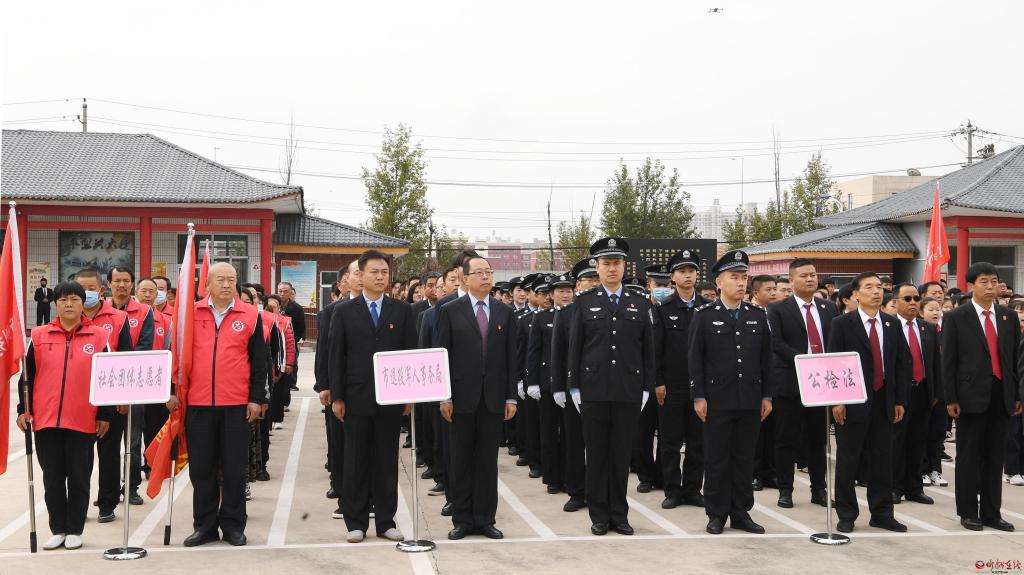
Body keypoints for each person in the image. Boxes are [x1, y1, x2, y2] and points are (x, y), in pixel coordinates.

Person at [566, 237, 656, 536]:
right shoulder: (584, 302)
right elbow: (575, 347)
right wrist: (574, 386)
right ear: (598, 267)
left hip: (628, 390)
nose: (612, 268)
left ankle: (619, 514)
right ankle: (599, 516)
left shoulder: (639, 303)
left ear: (624, 266)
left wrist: (646, 387)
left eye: (617, 263)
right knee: (596, 455)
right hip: (593, 390)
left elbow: (647, 350)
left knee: (620, 457)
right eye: (606, 263)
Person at [17, 281, 114, 551]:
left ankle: (75, 529)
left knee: (79, 477)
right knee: (52, 478)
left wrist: (105, 413)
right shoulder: (39, 336)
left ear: (84, 304)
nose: (68, 304)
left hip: (83, 419)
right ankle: (58, 529)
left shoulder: (99, 337)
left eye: (74, 299)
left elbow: (106, 377)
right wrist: (23, 409)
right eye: (62, 300)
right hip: (46, 420)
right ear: (55, 304)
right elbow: (27, 377)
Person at [177, 262, 268, 547]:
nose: (227, 284)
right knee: (201, 469)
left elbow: (260, 361)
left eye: (231, 279)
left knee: (234, 468)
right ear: (207, 284)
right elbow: (177, 354)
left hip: (236, 404)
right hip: (198, 404)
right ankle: (204, 526)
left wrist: (256, 398)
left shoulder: (250, 315)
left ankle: (233, 526)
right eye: (220, 279)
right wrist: (173, 390)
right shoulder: (190, 314)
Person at [329, 250, 415, 543]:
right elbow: (336, 356)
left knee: (387, 461)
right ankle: (355, 522)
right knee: (355, 460)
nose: (380, 277)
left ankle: (386, 521)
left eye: (385, 272)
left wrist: (408, 396)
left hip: (391, 398)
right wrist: (337, 396)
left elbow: (409, 354)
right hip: (356, 397)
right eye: (374, 272)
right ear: (361, 275)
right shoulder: (344, 311)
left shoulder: (402, 311)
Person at [689, 250, 772, 535]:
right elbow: (695, 359)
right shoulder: (704, 316)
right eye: (734, 277)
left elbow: (766, 359)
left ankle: (740, 512)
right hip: (717, 399)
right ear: (719, 282)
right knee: (716, 459)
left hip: (749, 398)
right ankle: (716, 513)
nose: (740, 282)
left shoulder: (757, 315)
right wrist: (699, 396)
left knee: (743, 458)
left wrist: (767, 395)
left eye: (743, 277)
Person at [436, 255, 518, 540]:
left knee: (487, 461)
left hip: (493, 399)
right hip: (460, 399)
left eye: (488, 272)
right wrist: (444, 397)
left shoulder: (505, 312)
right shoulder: (449, 311)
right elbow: (442, 356)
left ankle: (485, 519)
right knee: (460, 461)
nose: (485, 277)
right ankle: (462, 519)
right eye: (479, 272)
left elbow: (511, 359)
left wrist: (511, 397)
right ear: (465, 278)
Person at [828, 271, 910, 533]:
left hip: (884, 399)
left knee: (882, 460)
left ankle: (882, 513)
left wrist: (899, 400)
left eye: (879, 287)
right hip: (852, 401)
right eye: (869, 287)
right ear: (856, 294)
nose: (876, 291)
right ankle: (846, 513)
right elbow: (835, 362)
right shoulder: (842, 324)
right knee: (848, 460)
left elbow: (900, 363)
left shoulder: (892, 324)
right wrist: (838, 401)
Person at [944, 262, 1021, 532]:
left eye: (994, 282)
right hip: (969, 396)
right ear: (971, 285)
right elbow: (948, 361)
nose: (991, 287)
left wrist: (1017, 393)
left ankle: (991, 513)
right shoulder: (957, 317)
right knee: (969, 455)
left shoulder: (1008, 317)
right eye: (984, 282)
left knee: (995, 456)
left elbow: (1015, 359)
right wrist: (951, 397)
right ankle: (968, 512)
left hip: (1002, 394)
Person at [767, 258, 838, 509]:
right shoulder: (777, 308)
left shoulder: (829, 307)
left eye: (813, 275)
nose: (810, 279)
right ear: (791, 280)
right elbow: (775, 342)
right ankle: (785, 489)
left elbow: (835, 340)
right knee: (786, 438)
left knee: (818, 439)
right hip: (790, 381)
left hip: (821, 384)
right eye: (804, 275)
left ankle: (819, 489)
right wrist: (805, 361)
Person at [73, 267, 133, 523]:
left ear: (101, 290)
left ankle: (107, 503)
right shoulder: (69, 318)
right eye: (81, 289)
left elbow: (126, 358)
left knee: (109, 453)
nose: (86, 293)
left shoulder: (118, 318)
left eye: (91, 288)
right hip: (79, 399)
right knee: (79, 457)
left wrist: (123, 397)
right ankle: (79, 504)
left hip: (110, 398)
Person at [654, 249, 709, 510]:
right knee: (670, 442)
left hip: (701, 386)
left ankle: (693, 489)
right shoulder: (663, 309)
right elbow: (656, 349)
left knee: (698, 441)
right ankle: (672, 490)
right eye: (682, 272)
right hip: (672, 385)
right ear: (672, 277)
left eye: (691, 271)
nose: (688, 276)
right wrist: (658, 381)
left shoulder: (707, 308)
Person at [550, 259, 598, 513]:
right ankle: (577, 491)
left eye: (596, 279)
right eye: (588, 280)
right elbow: (558, 352)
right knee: (574, 442)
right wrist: (559, 386)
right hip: (574, 389)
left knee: (600, 445)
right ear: (578, 284)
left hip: (601, 387)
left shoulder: (610, 309)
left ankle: (598, 492)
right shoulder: (567, 312)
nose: (593, 284)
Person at [108, 265, 156, 506]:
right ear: (109, 284)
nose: (121, 285)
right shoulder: (102, 310)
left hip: (132, 386)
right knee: (107, 443)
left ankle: (132, 487)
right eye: (117, 280)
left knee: (133, 441)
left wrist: (120, 368)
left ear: (132, 284)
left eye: (126, 280)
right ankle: (108, 491)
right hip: (106, 387)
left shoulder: (145, 312)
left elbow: (145, 346)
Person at [891, 283, 942, 505]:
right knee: (897, 442)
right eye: (907, 299)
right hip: (899, 394)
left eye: (915, 299)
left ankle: (914, 487)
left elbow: (935, 363)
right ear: (895, 302)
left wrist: (936, 393)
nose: (913, 303)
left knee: (918, 442)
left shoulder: (927, 328)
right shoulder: (889, 326)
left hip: (923, 392)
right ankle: (895, 487)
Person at [314, 263, 356, 518]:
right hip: (339, 388)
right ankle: (341, 489)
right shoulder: (331, 312)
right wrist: (325, 385)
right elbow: (324, 352)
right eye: (355, 274)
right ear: (342, 283)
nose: (359, 279)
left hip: (369, 390)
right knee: (339, 444)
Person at [528, 273, 572, 495]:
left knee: (570, 434)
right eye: (560, 291)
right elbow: (533, 352)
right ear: (552, 295)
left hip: (570, 382)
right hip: (547, 382)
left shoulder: (577, 315)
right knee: (548, 432)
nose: (565, 295)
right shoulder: (541, 317)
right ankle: (552, 477)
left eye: (568, 291)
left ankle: (569, 476)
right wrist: (532, 382)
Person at [129, 278, 172, 495]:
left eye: (153, 291)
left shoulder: (166, 321)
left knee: (155, 429)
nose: (148, 295)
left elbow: (170, 351)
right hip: (133, 384)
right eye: (144, 291)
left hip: (157, 383)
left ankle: (152, 466)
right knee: (133, 434)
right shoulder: (127, 317)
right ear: (136, 292)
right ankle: (132, 479)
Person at [749, 275, 778, 492]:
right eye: (768, 289)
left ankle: (770, 471)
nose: (773, 293)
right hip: (755, 379)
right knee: (756, 432)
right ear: (756, 293)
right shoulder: (751, 314)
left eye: (774, 288)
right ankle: (755, 473)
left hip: (776, 378)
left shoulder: (778, 313)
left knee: (774, 430)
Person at [277, 281, 306, 392]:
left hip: (291, 343)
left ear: (290, 293)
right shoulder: (273, 305)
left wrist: (299, 340)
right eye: (280, 291)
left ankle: (291, 385)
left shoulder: (297, 308)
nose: (282, 294)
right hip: (277, 342)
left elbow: (302, 326)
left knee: (292, 365)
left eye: (285, 292)